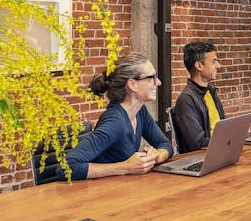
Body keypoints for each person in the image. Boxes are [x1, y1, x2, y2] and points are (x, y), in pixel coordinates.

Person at [64, 52, 173, 180]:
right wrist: (125, 167)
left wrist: (158, 155)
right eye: (151, 78)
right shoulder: (115, 123)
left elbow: (165, 143)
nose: (158, 82)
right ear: (132, 84)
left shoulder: (140, 111)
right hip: (101, 194)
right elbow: (67, 167)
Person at [173, 41, 225, 153]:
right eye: (213, 61)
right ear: (199, 66)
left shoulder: (211, 93)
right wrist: (226, 141)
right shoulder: (186, 100)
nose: (218, 66)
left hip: (219, 153)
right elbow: (197, 143)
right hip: (202, 158)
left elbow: (224, 128)